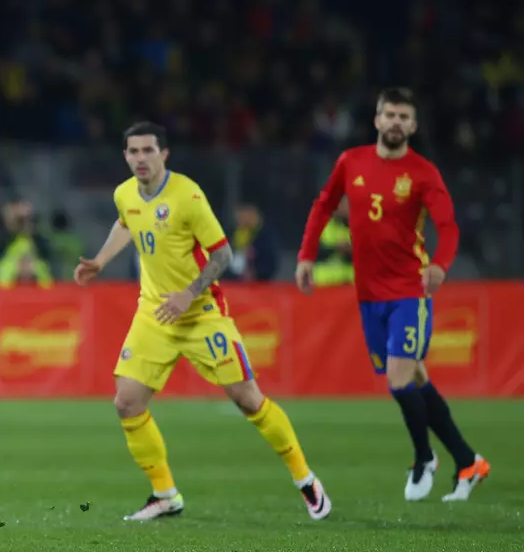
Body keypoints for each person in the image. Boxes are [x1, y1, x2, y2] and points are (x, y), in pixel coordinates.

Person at [75, 121, 331, 522]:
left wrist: (188, 294)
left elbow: (223, 255)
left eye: (148, 151)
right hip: (154, 314)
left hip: (201, 313)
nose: (140, 158)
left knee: (247, 399)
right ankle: (164, 494)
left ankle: (305, 480)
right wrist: (100, 261)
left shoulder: (188, 196)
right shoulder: (124, 193)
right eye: (133, 152)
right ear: (125, 155)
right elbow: (126, 222)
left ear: (165, 154)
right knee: (126, 402)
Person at [296, 87, 489, 502]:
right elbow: (323, 205)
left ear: (413, 126)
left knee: (399, 378)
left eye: (405, 116)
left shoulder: (423, 173)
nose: (397, 122)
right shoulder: (351, 162)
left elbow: (449, 226)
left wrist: (439, 265)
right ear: (377, 120)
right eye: (390, 115)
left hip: (410, 290)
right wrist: (307, 255)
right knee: (415, 377)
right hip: (369, 295)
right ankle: (468, 460)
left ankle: (424, 459)